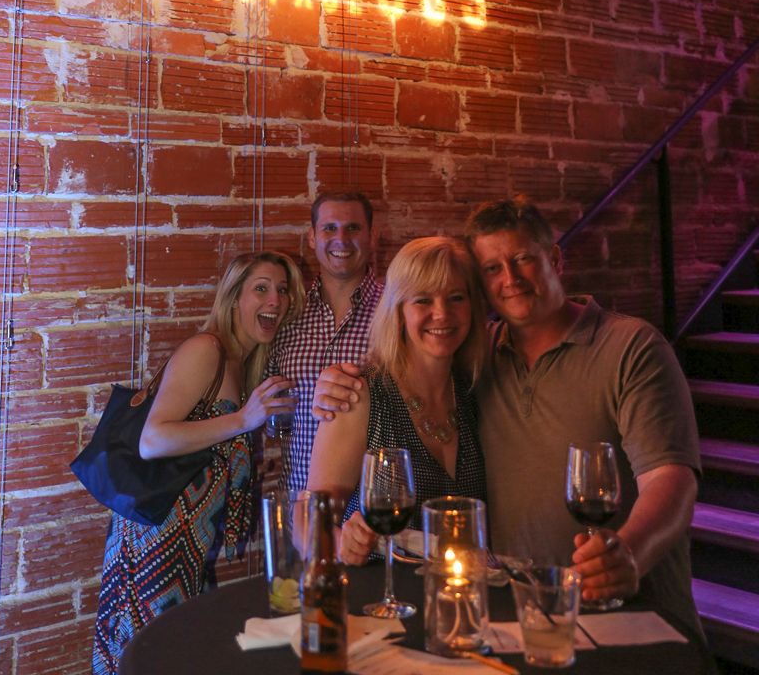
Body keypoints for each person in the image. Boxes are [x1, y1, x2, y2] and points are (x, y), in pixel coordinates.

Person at [314, 197, 702, 636]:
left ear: (555, 259)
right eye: (492, 268)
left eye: (522, 260)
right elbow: (315, 509)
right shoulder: (482, 361)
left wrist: (631, 551)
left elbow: (671, 479)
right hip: (515, 612)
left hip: (628, 609)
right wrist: (332, 385)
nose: (510, 279)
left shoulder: (631, 347)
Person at [92, 250, 304, 674]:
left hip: (187, 550)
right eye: (261, 289)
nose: (275, 301)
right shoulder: (206, 349)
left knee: (180, 655)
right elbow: (153, 440)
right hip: (153, 545)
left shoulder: (242, 364)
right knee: (149, 659)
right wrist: (243, 420)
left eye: (282, 291)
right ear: (234, 297)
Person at [306, 235, 488, 565]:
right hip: (379, 591)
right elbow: (307, 519)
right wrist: (339, 543)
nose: (442, 313)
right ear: (398, 311)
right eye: (423, 300)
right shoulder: (361, 394)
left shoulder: (474, 391)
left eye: (456, 298)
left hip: (456, 589)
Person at [267, 190, 382, 492]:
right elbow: (268, 408)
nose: (341, 239)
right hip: (298, 502)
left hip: (368, 509)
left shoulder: (396, 311)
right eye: (329, 228)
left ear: (372, 237)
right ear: (312, 237)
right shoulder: (288, 315)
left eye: (353, 228)